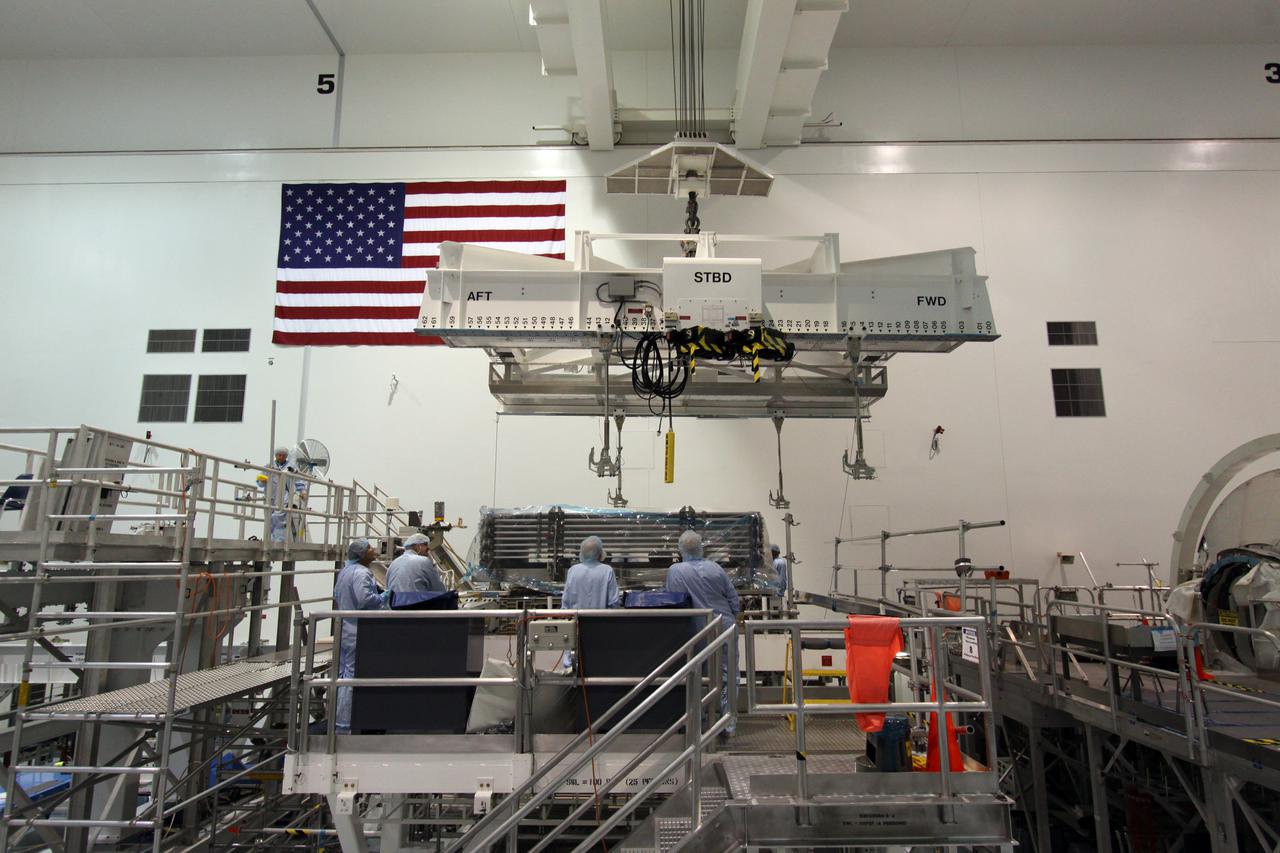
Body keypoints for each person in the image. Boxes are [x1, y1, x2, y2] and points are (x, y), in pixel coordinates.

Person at [665, 530, 739, 736]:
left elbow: (673, 601)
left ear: (680, 550)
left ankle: (697, 718)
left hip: (695, 631)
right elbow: (733, 599)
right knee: (728, 674)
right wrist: (733, 618)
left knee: (695, 674)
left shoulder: (675, 571)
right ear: (701, 547)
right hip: (724, 627)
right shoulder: (716, 568)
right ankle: (728, 722)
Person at [333, 538, 387, 733]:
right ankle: (344, 725)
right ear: (363, 554)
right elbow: (365, 600)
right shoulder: (362, 572)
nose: (374, 550)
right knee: (351, 677)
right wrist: (382, 597)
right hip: (357, 631)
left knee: (343, 675)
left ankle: (339, 721)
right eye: (370, 548)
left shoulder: (345, 571)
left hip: (345, 629)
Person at [562, 536, 621, 610]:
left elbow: (565, 602)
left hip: (577, 619)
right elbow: (614, 602)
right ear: (600, 553)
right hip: (601, 619)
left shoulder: (573, 571)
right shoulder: (607, 571)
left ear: (582, 553)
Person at [262, 446, 307, 542]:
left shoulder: (290, 467)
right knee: (269, 519)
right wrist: (263, 480)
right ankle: (269, 540)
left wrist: (302, 491)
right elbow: (261, 481)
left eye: (283, 455)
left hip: (284, 496)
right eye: (279, 455)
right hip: (270, 496)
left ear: (286, 456)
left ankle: (279, 540)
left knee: (278, 518)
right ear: (276, 455)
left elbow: (298, 480)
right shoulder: (269, 466)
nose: (281, 457)